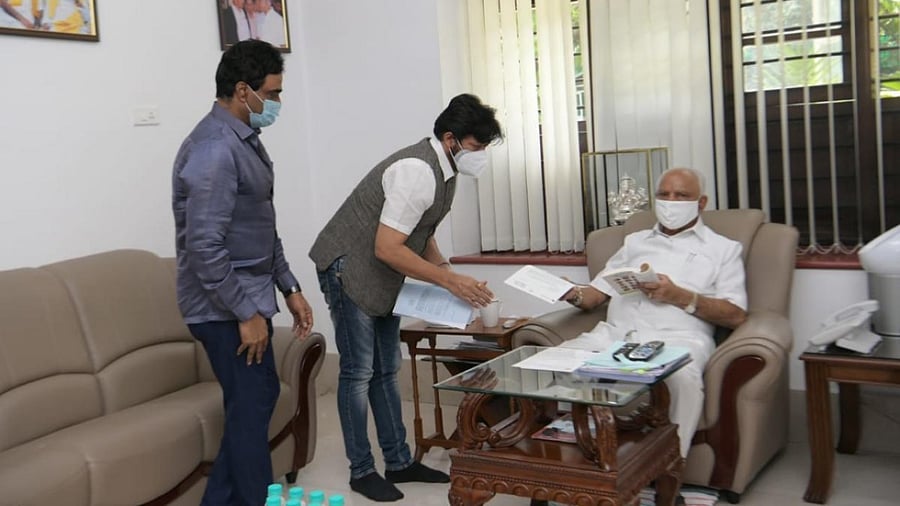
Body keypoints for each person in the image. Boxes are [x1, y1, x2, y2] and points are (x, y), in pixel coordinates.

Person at [309, 93, 503, 502]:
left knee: (386, 368)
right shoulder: (417, 170)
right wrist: (449, 283)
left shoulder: (445, 172)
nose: (480, 155)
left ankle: (398, 461)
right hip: (349, 266)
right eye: (477, 147)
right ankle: (361, 470)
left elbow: (421, 230)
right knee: (359, 372)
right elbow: (387, 247)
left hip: (382, 271)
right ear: (451, 139)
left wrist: (448, 274)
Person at [171, 39, 314, 506]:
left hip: (245, 294)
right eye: (271, 94)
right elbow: (204, 247)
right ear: (242, 91)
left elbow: (258, 227)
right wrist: (246, 313)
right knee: (252, 406)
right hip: (221, 306)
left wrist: (287, 285)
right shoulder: (214, 151)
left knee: (255, 400)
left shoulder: (243, 142)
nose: (276, 104)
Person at [559, 167, 748, 459]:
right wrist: (571, 292)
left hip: (677, 341)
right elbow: (595, 295)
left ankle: (668, 470)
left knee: (681, 378)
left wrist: (679, 296)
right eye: (664, 195)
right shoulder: (635, 241)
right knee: (554, 362)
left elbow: (736, 315)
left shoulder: (723, 249)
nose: (670, 201)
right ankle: (569, 465)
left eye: (681, 195)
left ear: (701, 202)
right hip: (613, 336)